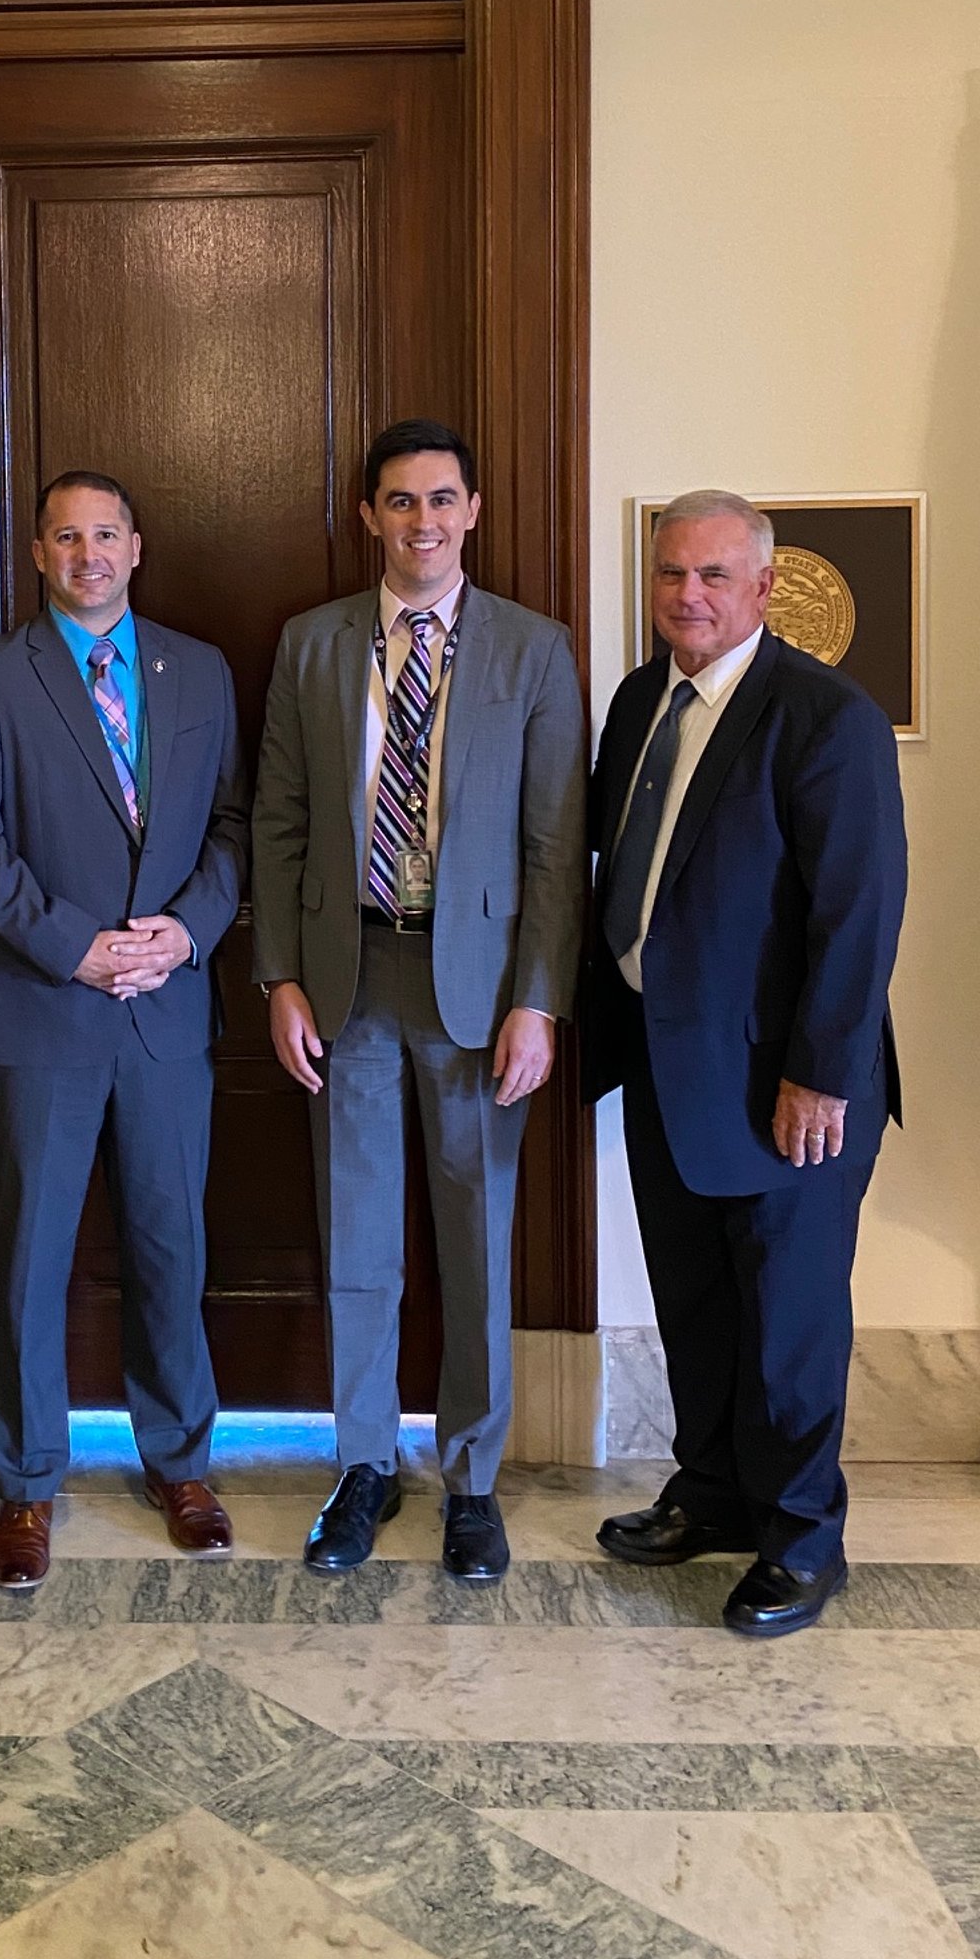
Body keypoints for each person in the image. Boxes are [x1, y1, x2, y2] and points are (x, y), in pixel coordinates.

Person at [251, 420, 585, 1580]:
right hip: (348, 978)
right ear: (368, 516)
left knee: (477, 1239)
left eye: (442, 500)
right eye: (400, 502)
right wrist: (280, 976)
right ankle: (360, 1468)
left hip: (479, 988)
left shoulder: (534, 652)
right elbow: (282, 822)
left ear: (473, 511)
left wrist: (538, 1001)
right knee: (357, 1237)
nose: (422, 522)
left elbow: (555, 846)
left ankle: (474, 1482)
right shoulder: (313, 645)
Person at [582, 489, 906, 1637]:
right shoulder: (636, 703)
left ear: (765, 588)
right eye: (672, 574)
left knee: (790, 1323)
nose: (690, 595)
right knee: (701, 1307)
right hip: (668, 1073)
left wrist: (822, 1074)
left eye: (715, 575)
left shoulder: (825, 716)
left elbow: (858, 916)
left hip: (787, 1091)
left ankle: (805, 1539)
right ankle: (713, 1494)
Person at [0, 471, 247, 1589]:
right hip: (38, 1010)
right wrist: (75, 943)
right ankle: (24, 1484)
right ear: (40, 554)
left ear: (136, 546)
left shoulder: (197, 669)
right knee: (26, 1262)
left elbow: (235, 824)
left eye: (105, 533)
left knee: (172, 1249)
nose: (88, 552)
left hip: (166, 1010)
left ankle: (183, 1464)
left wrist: (184, 933)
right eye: (67, 536)